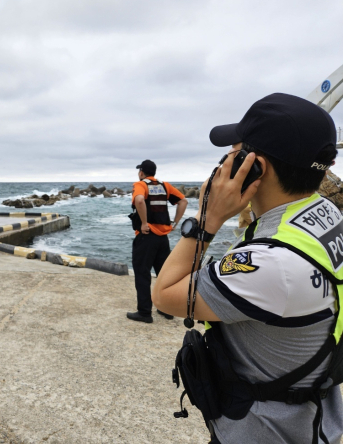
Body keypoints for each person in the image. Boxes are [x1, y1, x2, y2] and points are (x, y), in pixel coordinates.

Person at [153, 93, 343, 444]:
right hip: (316, 422)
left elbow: (164, 295)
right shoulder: (329, 218)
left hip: (265, 431)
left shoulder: (272, 264)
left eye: (234, 151)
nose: (225, 159)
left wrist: (208, 217)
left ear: (256, 167)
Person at [127, 159, 187, 323]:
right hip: (163, 239)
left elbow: (139, 200)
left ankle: (144, 313)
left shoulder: (140, 185)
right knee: (164, 274)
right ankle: (166, 309)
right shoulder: (164, 185)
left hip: (146, 237)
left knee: (142, 273)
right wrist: (175, 222)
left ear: (141, 172)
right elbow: (183, 201)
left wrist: (145, 223)